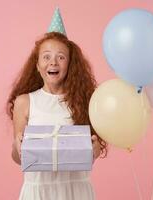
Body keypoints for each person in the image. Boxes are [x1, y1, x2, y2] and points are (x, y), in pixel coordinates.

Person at [6, 8, 107, 200]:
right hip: (39, 191)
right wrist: (17, 146)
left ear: (70, 65)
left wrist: (94, 151)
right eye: (46, 56)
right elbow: (19, 158)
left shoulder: (85, 100)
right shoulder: (25, 102)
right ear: (37, 65)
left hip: (77, 191)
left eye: (61, 57)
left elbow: (88, 153)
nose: (53, 62)